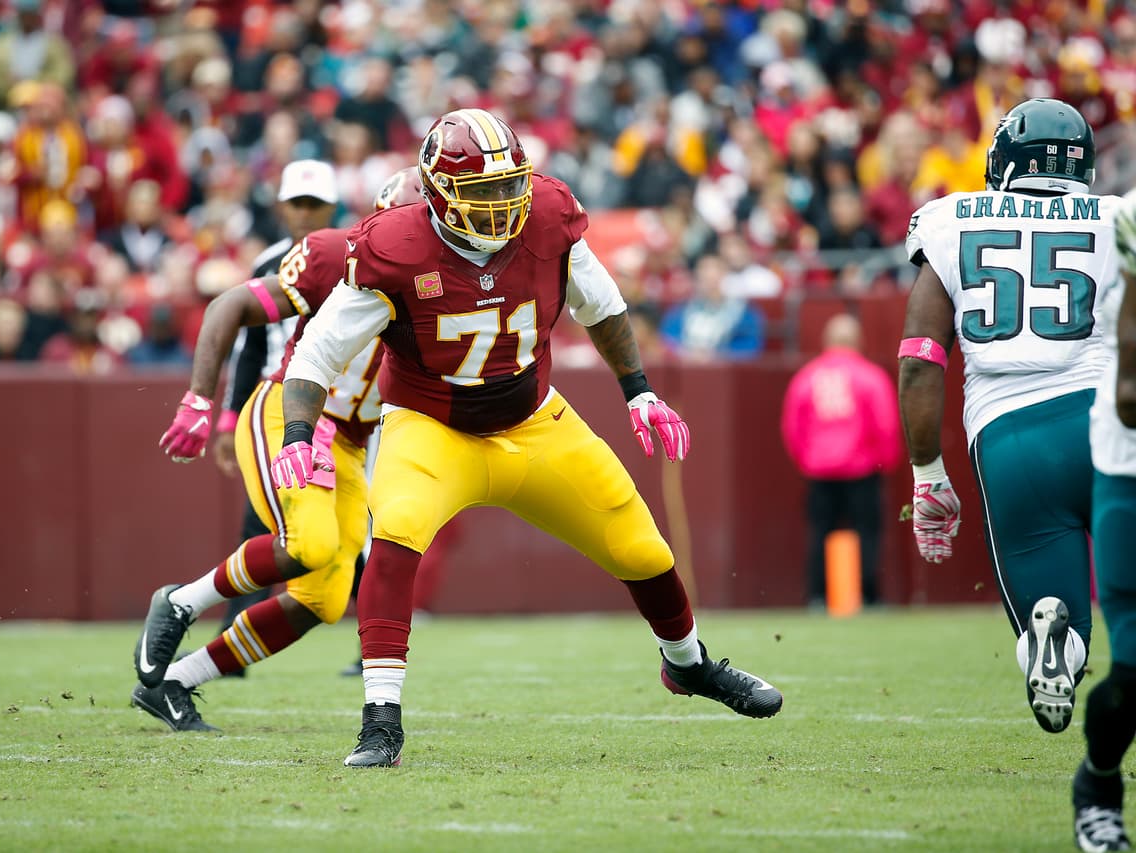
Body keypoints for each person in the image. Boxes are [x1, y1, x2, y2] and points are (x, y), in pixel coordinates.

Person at [277, 108, 783, 768]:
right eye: (480, 192)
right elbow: (316, 353)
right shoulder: (394, 247)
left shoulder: (546, 216)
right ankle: (380, 718)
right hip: (433, 427)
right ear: (436, 194)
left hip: (535, 419)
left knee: (639, 542)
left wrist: (640, 389)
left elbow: (600, 304)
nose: (500, 205)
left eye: (508, 186)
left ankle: (688, 665)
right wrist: (295, 432)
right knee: (395, 534)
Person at [127, 167, 420, 731]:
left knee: (325, 598)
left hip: (352, 444)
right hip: (291, 413)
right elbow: (228, 308)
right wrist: (199, 401)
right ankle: (181, 601)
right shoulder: (338, 254)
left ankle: (176, 684)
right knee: (307, 543)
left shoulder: (443, 283)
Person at [898, 98, 1122, 735]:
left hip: (1011, 436)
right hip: (1107, 419)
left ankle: (1059, 638)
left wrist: (927, 474)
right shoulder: (1118, 218)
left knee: (1047, 619)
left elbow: (920, 357)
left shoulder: (951, 218)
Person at [209, 159, 340, 676]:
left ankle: (368, 644)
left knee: (361, 525)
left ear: (332, 206)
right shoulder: (270, 259)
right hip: (280, 403)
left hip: (345, 409)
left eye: (315, 204)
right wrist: (226, 418)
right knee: (260, 521)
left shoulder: (350, 254)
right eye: (297, 204)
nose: (305, 214)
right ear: (283, 207)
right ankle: (232, 631)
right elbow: (249, 343)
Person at [1070, 194, 1136, 853]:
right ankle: (1098, 786)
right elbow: (1131, 394)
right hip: (1131, 460)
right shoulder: (1132, 215)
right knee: (1133, 671)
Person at [781, 313, 901, 608]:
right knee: (867, 534)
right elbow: (886, 424)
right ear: (857, 341)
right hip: (862, 468)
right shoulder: (870, 376)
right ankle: (869, 596)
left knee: (820, 533)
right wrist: (886, 461)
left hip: (820, 469)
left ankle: (818, 597)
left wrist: (805, 460)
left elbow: (792, 426)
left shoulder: (807, 377)